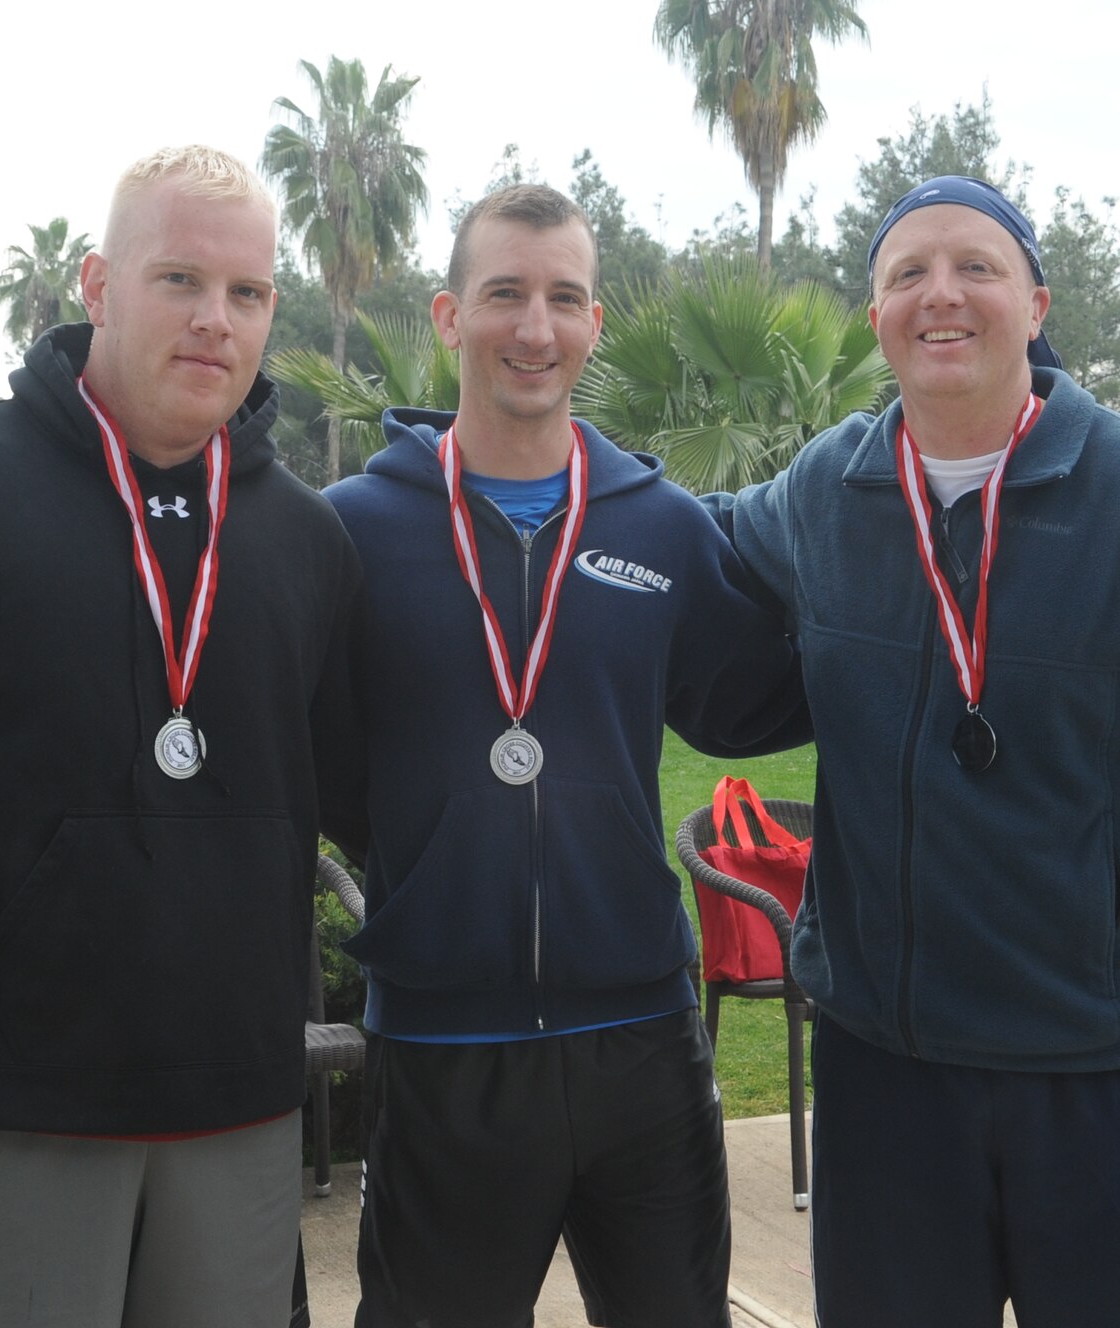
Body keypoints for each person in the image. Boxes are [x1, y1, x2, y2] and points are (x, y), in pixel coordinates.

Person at [713, 176, 1120, 1327]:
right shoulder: (827, 490)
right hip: (883, 1063)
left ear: (1035, 300)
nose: (939, 294)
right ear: (876, 318)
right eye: (905, 274)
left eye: (974, 266)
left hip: (1102, 1067)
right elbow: (685, 539)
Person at [0, 145, 360, 1327]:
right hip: (3, 1107)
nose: (213, 319)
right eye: (178, 278)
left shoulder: (303, 537)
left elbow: (359, 795)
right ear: (95, 284)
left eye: (246, 294)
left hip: (238, 1105)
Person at [322, 183, 808, 1328]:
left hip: (640, 1039)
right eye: (504, 294)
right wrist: (425, 863)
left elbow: (752, 697)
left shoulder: (658, 523)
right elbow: (314, 760)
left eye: (562, 299)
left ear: (591, 323)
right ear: (448, 315)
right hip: (443, 1045)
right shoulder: (351, 530)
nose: (532, 328)